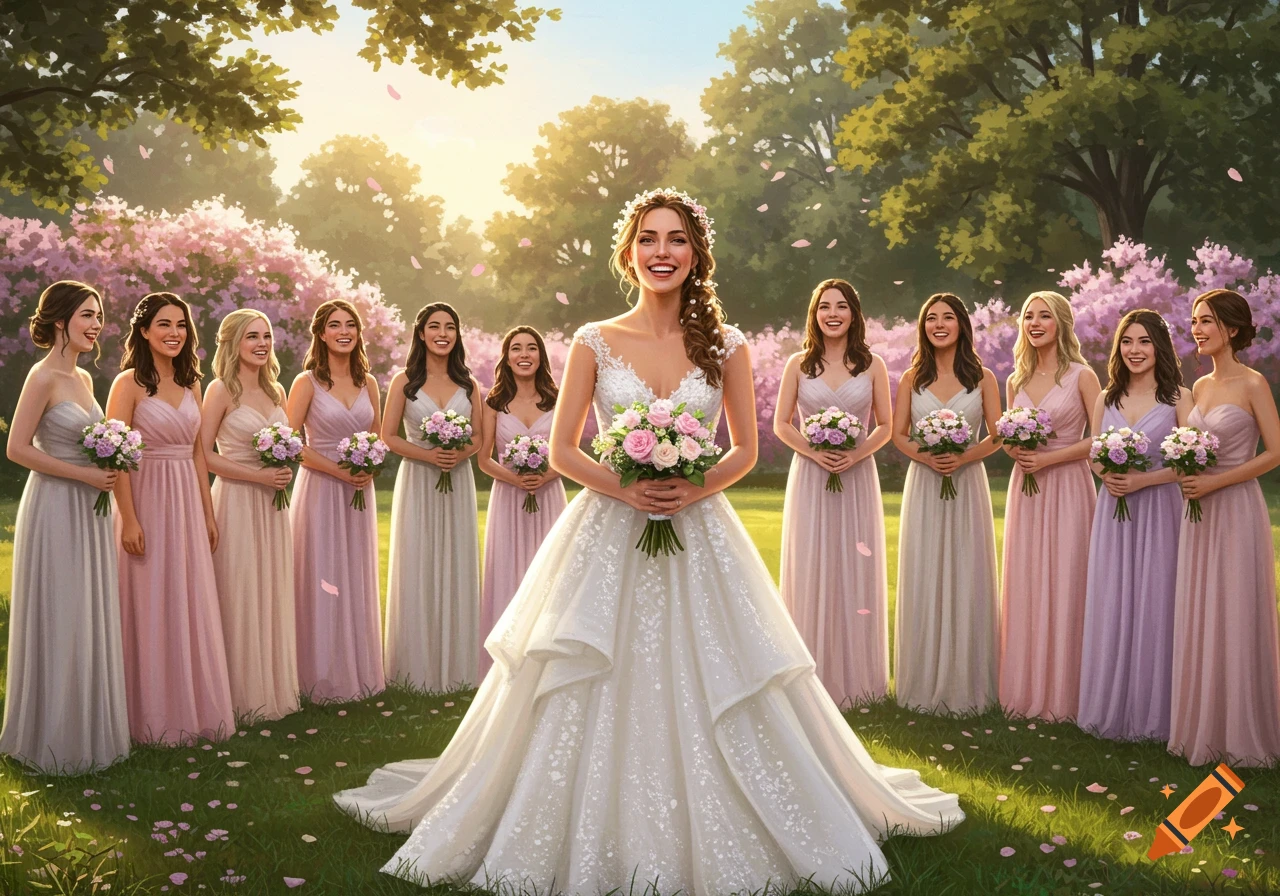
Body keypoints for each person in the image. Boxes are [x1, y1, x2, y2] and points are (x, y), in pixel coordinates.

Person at [334, 188, 964, 895]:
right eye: (649, 239)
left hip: (699, 527)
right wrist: (626, 488)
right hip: (610, 526)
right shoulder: (593, 340)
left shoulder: (727, 345)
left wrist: (693, 487)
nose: (662, 252)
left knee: (726, 667)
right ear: (629, 253)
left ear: (697, 255)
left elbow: (744, 449)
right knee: (584, 670)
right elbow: (565, 450)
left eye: (677, 239)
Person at [0, 280, 131, 772]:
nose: (97, 324)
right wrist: (85, 475)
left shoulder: (84, 378)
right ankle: (52, 737)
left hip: (90, 508)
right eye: (87, 315)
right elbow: (17, 448)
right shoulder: (43, 376)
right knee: (61, 610)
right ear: (60, 321)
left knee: (85, 609)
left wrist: (107, 463)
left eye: (99, 316)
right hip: (55, 505)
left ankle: (86, 727)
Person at [109, 291, 235, 744]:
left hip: (186, 499)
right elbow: (116, 455)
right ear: (144, 331)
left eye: (181, 325)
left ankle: (192, 708)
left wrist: (207, 513)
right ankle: (149, 716)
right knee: (150, 600)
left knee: (188, 598)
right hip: (146, 497)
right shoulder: (127, 384)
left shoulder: (190, 384)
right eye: (164, 324)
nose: (174, 333)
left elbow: (199, 454)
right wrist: (129, 519)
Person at [1168, 289, 1280, 766]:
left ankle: (1243, 733)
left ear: (1232, 329)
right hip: (1199, 515)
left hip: (1235, 510)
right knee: (1203, 609)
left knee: (1234, 611)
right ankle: (1205, 727)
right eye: (1195, 321)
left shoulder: (1253, 384)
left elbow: (1275, 453)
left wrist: (1215, 483)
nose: (1197, 329)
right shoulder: (1199, 387)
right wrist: (1187, 472)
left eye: (1207, 321)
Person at [773, 279, 893, 706]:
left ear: (854, 314)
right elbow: (782, 423)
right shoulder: (798, 365)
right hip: (810, 475)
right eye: (825, 306)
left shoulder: (873, 365)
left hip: (857, 477)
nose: (833, 314)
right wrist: (814, 453)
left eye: (842, 306)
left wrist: (856, 454)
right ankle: (809, 679)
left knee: (856, 567)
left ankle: (859, 680)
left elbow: (886, 426)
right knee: (811, 564)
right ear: (815, 314)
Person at [1077, 309, 1189, 742]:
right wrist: (1107, 474)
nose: (1134, 350)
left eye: (1144, 341)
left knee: (1157, 602)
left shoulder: (1179, 398)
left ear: (1159, 347)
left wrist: (1143, 480)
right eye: (1127, 341)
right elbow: (1094, 451)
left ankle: (1154, 714)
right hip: (1114, 511)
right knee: (1113, 599)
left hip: (1160, 509)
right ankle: (1110, 705)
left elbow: (1190, 461)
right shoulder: (1107, 398)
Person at [891, 293, 1002, 715]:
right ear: (923, 327)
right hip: (924, 483)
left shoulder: (983, 378)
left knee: (966, 569)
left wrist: (963, 456)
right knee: (924, 570)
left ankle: (967, 683)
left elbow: (997, 434)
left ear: (961, 325)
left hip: (967, 484)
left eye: (948, 317)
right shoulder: (911, 378)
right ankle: (921, 680)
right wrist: (927, 457)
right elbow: (899, 434)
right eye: (931, 318)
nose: (939, 324)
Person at [999, 290, 1100, 722]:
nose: (1034, 323)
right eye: (1028, 316)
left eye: (1044, 316)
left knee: (1067, 579)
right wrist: (1018, 451)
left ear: (1061, 323)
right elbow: (1007, 438)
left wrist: (1049, 459)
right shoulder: (1016, 380)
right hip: (1026, 490)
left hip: (1069, 486)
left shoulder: (1082, 376)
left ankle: (1066, 692)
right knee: (1026, 580)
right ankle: (1025, 688)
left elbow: (1099, 439)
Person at [200, 308, 301, 722]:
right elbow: (202, 455)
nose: (261, 344)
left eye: (266, 336)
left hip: (272, 507)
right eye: (252, 336)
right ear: (233, 343)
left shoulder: (276, 391)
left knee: (271, 590)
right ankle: (240, 696)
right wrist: (257, 476)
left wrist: (283, 468)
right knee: (239, 591)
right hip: (236, 501)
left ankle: (271, 688)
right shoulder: (220, 391)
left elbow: (290, 442)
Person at [382, 303, 484, 691]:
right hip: (418, 479)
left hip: (457, 480)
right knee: (417, 559)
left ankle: (458, 666)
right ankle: (415, 668)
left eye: (450, 327)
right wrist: (428, 455)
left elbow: (479, 436)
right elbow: (388, 436)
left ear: (457, 335)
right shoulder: (404, 381)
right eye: (435, 326)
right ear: (421, 333)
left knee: (457, 560)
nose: (443, 333)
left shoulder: (469, 385)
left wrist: (459, 453)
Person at [287, 299, 384, 702]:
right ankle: (319, 676)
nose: (344, 332)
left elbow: (378, 437)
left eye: (350, 325)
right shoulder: (306, 382)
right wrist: (339, 470)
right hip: (320, 488)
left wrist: (369, 466)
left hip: (359, 491)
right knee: (323, 575)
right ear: (321, 334)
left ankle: (357, 670)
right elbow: (290, 442)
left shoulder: (369, 383)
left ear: (358, 334)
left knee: (354, 575)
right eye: (335, 325)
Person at [475, 326, 567, 678]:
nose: (524, 354)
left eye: (531, 348)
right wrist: (516, 479)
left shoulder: (558, 400)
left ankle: (548, 665)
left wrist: (546, 475)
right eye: (516, 348)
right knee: (508, 572)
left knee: (551, 574)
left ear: (541, 356)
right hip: (509, 498)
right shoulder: (494, 403)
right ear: (507, 357)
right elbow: (484, 459)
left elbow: (570, 451)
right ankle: (505, 668)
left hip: (549, 495)